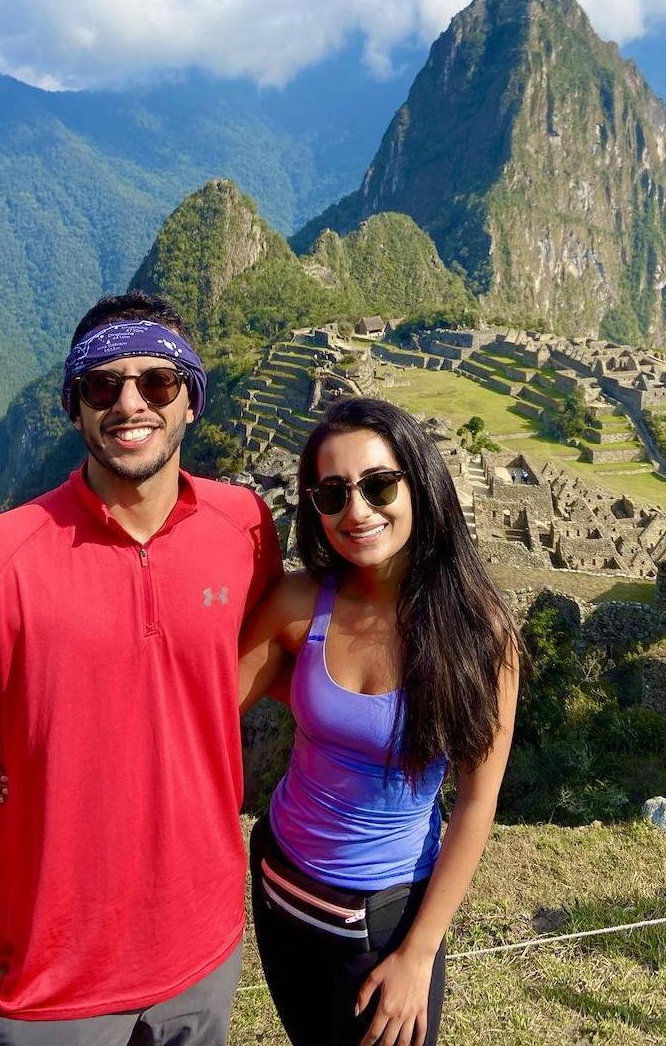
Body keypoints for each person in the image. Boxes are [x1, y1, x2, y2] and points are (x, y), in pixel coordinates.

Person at [0, 292, 282, 1044]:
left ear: (192, 399)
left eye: (158, 383)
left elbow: (254, 651)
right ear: (74, 407)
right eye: (102, 386)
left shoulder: (244, 530)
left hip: (203, 952)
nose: (130, 404)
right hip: (48, 987)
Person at [235, 396, 520, 1046]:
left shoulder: (478, 637)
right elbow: (200, 710)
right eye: (331, 495)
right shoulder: (300, 603)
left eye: (378, 485)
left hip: (383, 913)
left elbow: (477, 803)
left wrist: (419, 954)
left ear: (418, 483)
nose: (356, 511)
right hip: (281, 886)